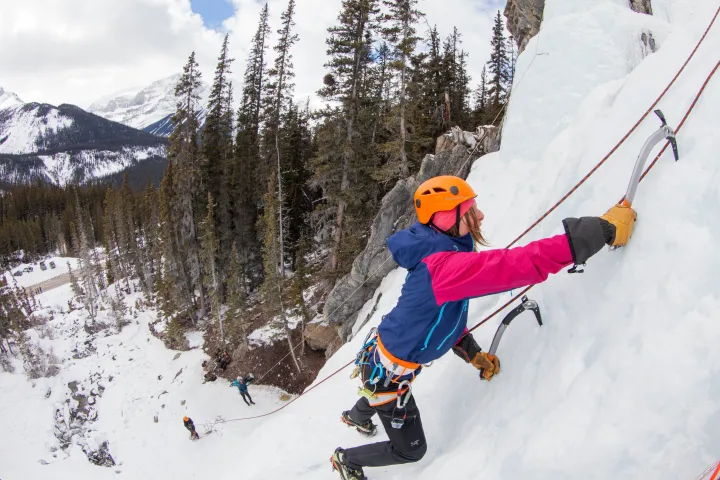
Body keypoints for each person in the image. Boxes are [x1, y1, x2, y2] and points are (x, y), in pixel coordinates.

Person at [330, 175, 637, 480]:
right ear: (448, 217)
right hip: (390, 371)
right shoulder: (444, 267)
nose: (480, 215)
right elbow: (514, 265)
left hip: (385, 356)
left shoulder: (442, 252)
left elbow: (440, 321)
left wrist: (473, 354)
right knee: (410, 450)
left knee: (378, 386)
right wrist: (597, 231)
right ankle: (347, 459)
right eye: (471, 210)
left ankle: (356, 417)